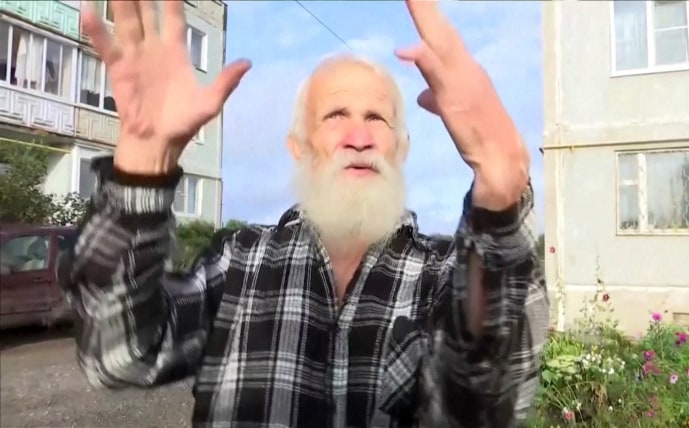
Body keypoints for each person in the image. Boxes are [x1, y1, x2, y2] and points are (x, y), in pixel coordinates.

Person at [63, 1, 550, 427]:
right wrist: (143, 169)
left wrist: (500, 199)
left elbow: (488, 405)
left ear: (401, 148)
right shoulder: (238, 263)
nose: (358, 138)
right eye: (336, 115)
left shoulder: (442, 275)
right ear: (298, 147)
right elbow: (117, 355)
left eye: (376, 118)